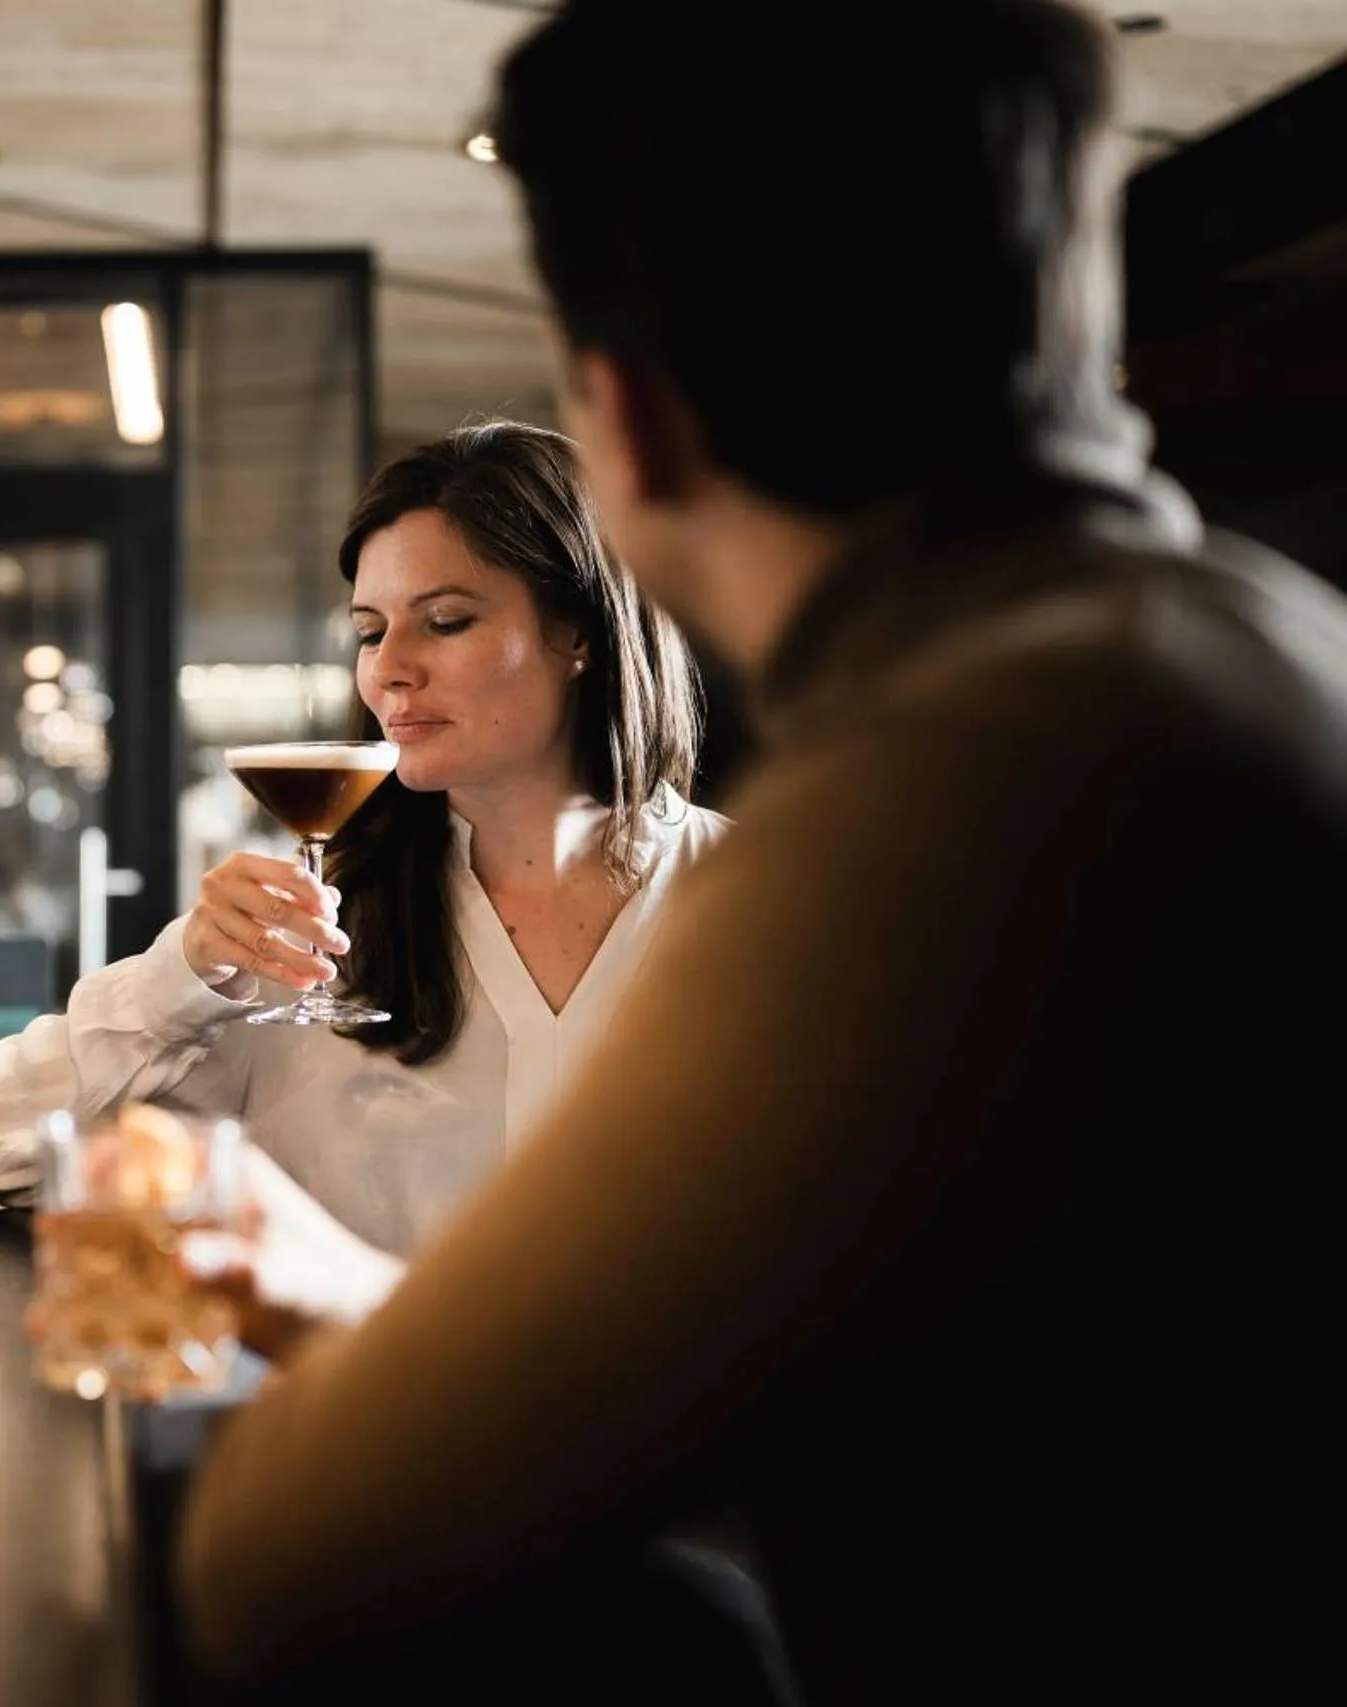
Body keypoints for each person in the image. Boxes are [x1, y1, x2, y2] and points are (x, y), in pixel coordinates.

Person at [173, 2, 1347, 1702]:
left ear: (628, 426)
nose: (391, 665)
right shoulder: (1265, 651)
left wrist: (321, 1295)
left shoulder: (952, 795)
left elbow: (287, 1564)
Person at [0, 422, 724, 1259]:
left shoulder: (757, 897)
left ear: (580, 633)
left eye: (446, 620)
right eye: (370, 631)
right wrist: (184, 974)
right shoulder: (308, 933)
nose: (390, 668)